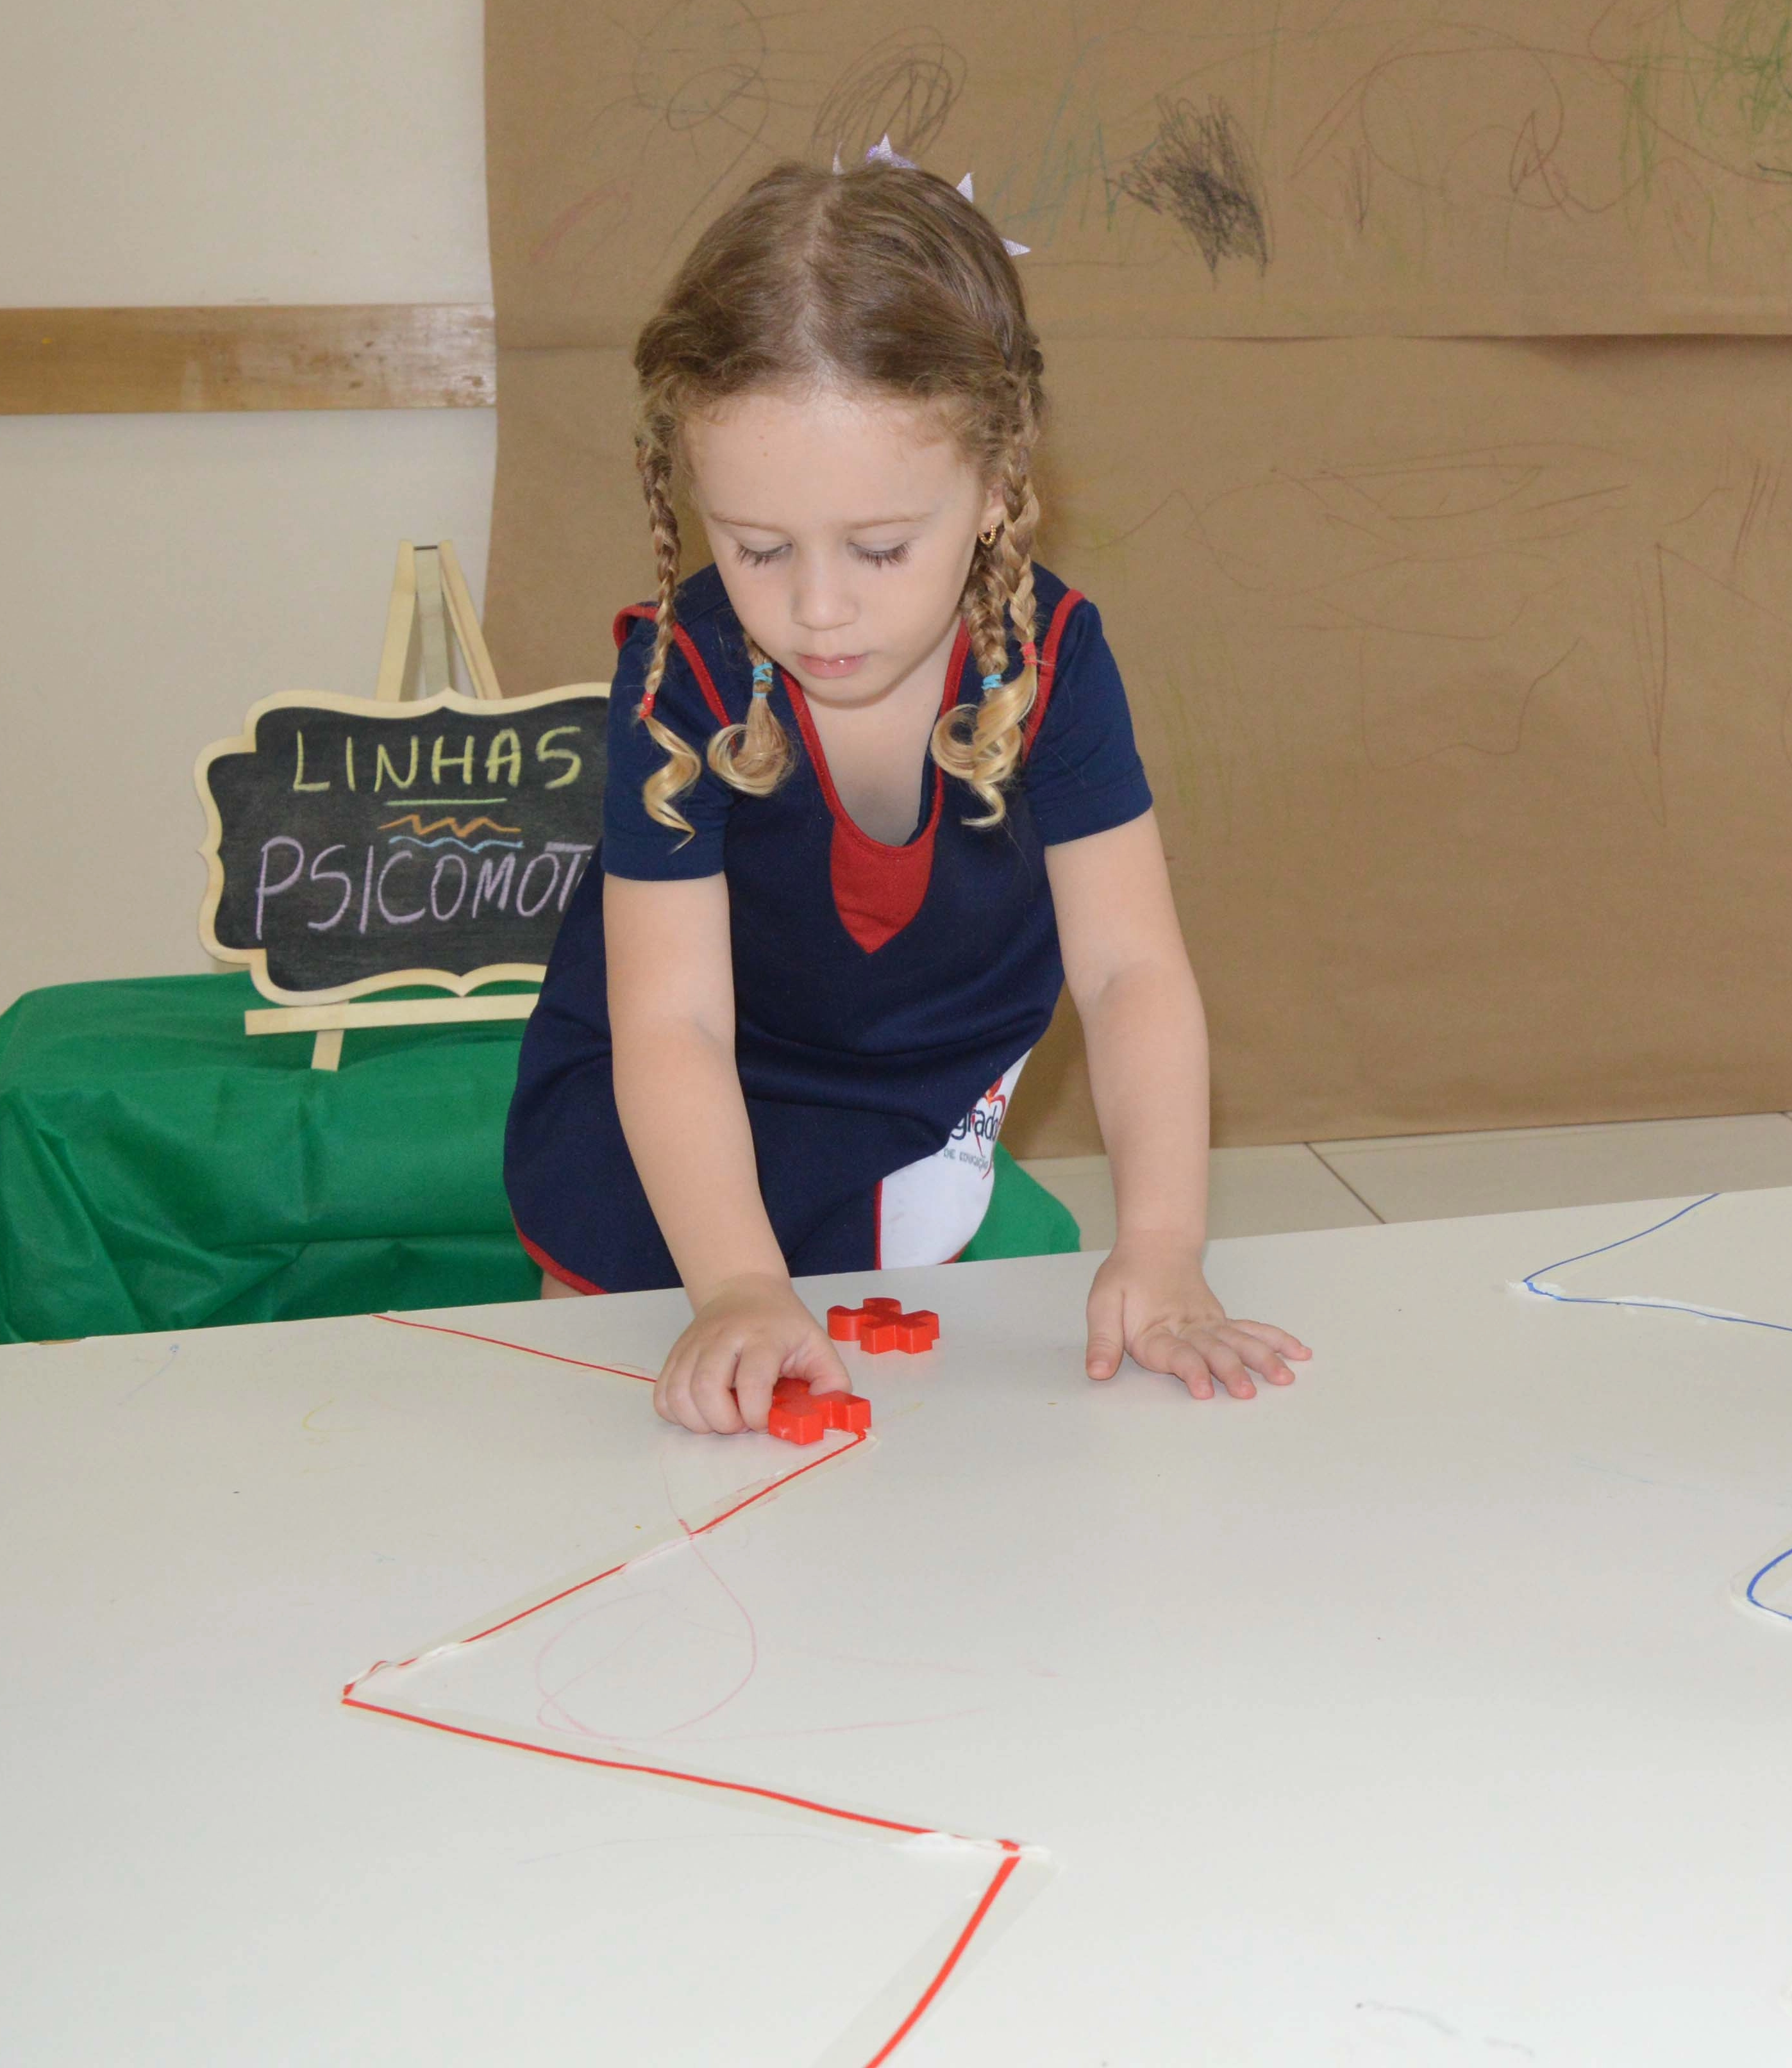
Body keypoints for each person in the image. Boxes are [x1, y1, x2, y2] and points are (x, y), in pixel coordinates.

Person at [503, 156, 1309, 1433]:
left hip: (898, 1096)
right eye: (757, 547)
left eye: (880, 547)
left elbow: (1128, 974)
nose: (819, 607)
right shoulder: (684, 678)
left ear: (996, 489)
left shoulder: (1052, 662)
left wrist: (1161, 1244)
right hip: (659, 1111)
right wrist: (734, 1282)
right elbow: (672, 1027)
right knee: (613, 1423)